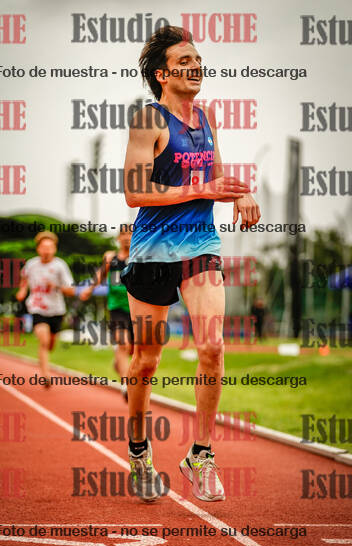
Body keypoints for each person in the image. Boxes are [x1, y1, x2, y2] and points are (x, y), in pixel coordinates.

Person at [121, 26, 261, 501]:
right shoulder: (149, 120)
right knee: (146, 361)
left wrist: (238, 193)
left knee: (213, 347)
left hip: (201, 245)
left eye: (198, 60)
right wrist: (202, 189)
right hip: (152, 250)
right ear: (162, 75)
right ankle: (139, 452)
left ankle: (200, 454)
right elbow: (134, 192)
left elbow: (215, 173)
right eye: (184, 62)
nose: (195, 67)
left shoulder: (206, 117)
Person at [80, 228, 134, 400]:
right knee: (123, 344)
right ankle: (126, 385)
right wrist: (89, 289)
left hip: (136, 309)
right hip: (117, 308)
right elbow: (100, 275)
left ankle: (118, 362)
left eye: (130, 234)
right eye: (124, 234)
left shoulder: (139, 257)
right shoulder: (111, 257)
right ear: (118, 238)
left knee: (133, 351)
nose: (127, 238)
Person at [16, 232, 75, 386]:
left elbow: (71, 290)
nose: (46, 251)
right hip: (37, 307)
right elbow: (24, 279)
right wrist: (22, 290)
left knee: (50, 344)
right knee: (43, 341)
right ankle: (45, 375)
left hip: (56, 310)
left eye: (50, 247)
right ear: (38, 249)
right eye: (44, 247)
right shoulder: (31, 264)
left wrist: (55, 286)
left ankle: (46, 358)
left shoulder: (60, 265)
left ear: (55, 249)